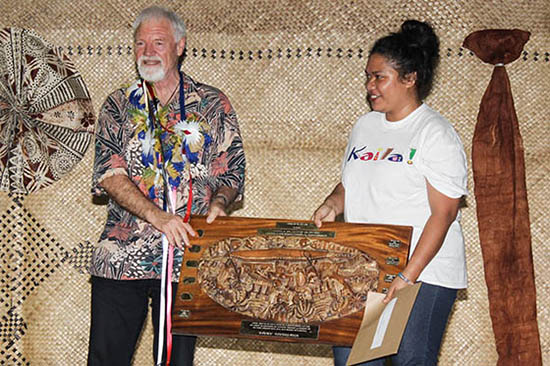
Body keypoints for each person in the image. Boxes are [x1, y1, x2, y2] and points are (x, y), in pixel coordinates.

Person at [87, 6, 245, 366]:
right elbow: (110, 174)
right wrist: (159, 218)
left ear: (180, 46)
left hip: (185, 260)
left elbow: (233, 172)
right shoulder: (118, 104)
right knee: (105, 359)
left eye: (158, 42)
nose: (148, 51)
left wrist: (220, 201)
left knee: (177, 361)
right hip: (121, 257)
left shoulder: (212, 103)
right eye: (140, 43)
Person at [313, 20, 467, 366]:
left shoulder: (435, 133)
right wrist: (332, 203)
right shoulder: (365, 126)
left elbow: (443, 214)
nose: (370, 86)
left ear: (410, 78)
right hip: (367, 267)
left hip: (423, 273)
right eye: (368, 76)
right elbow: (350, 183)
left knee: (409, 360)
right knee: (356, 360)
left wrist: (407, 277)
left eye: (379, 77)